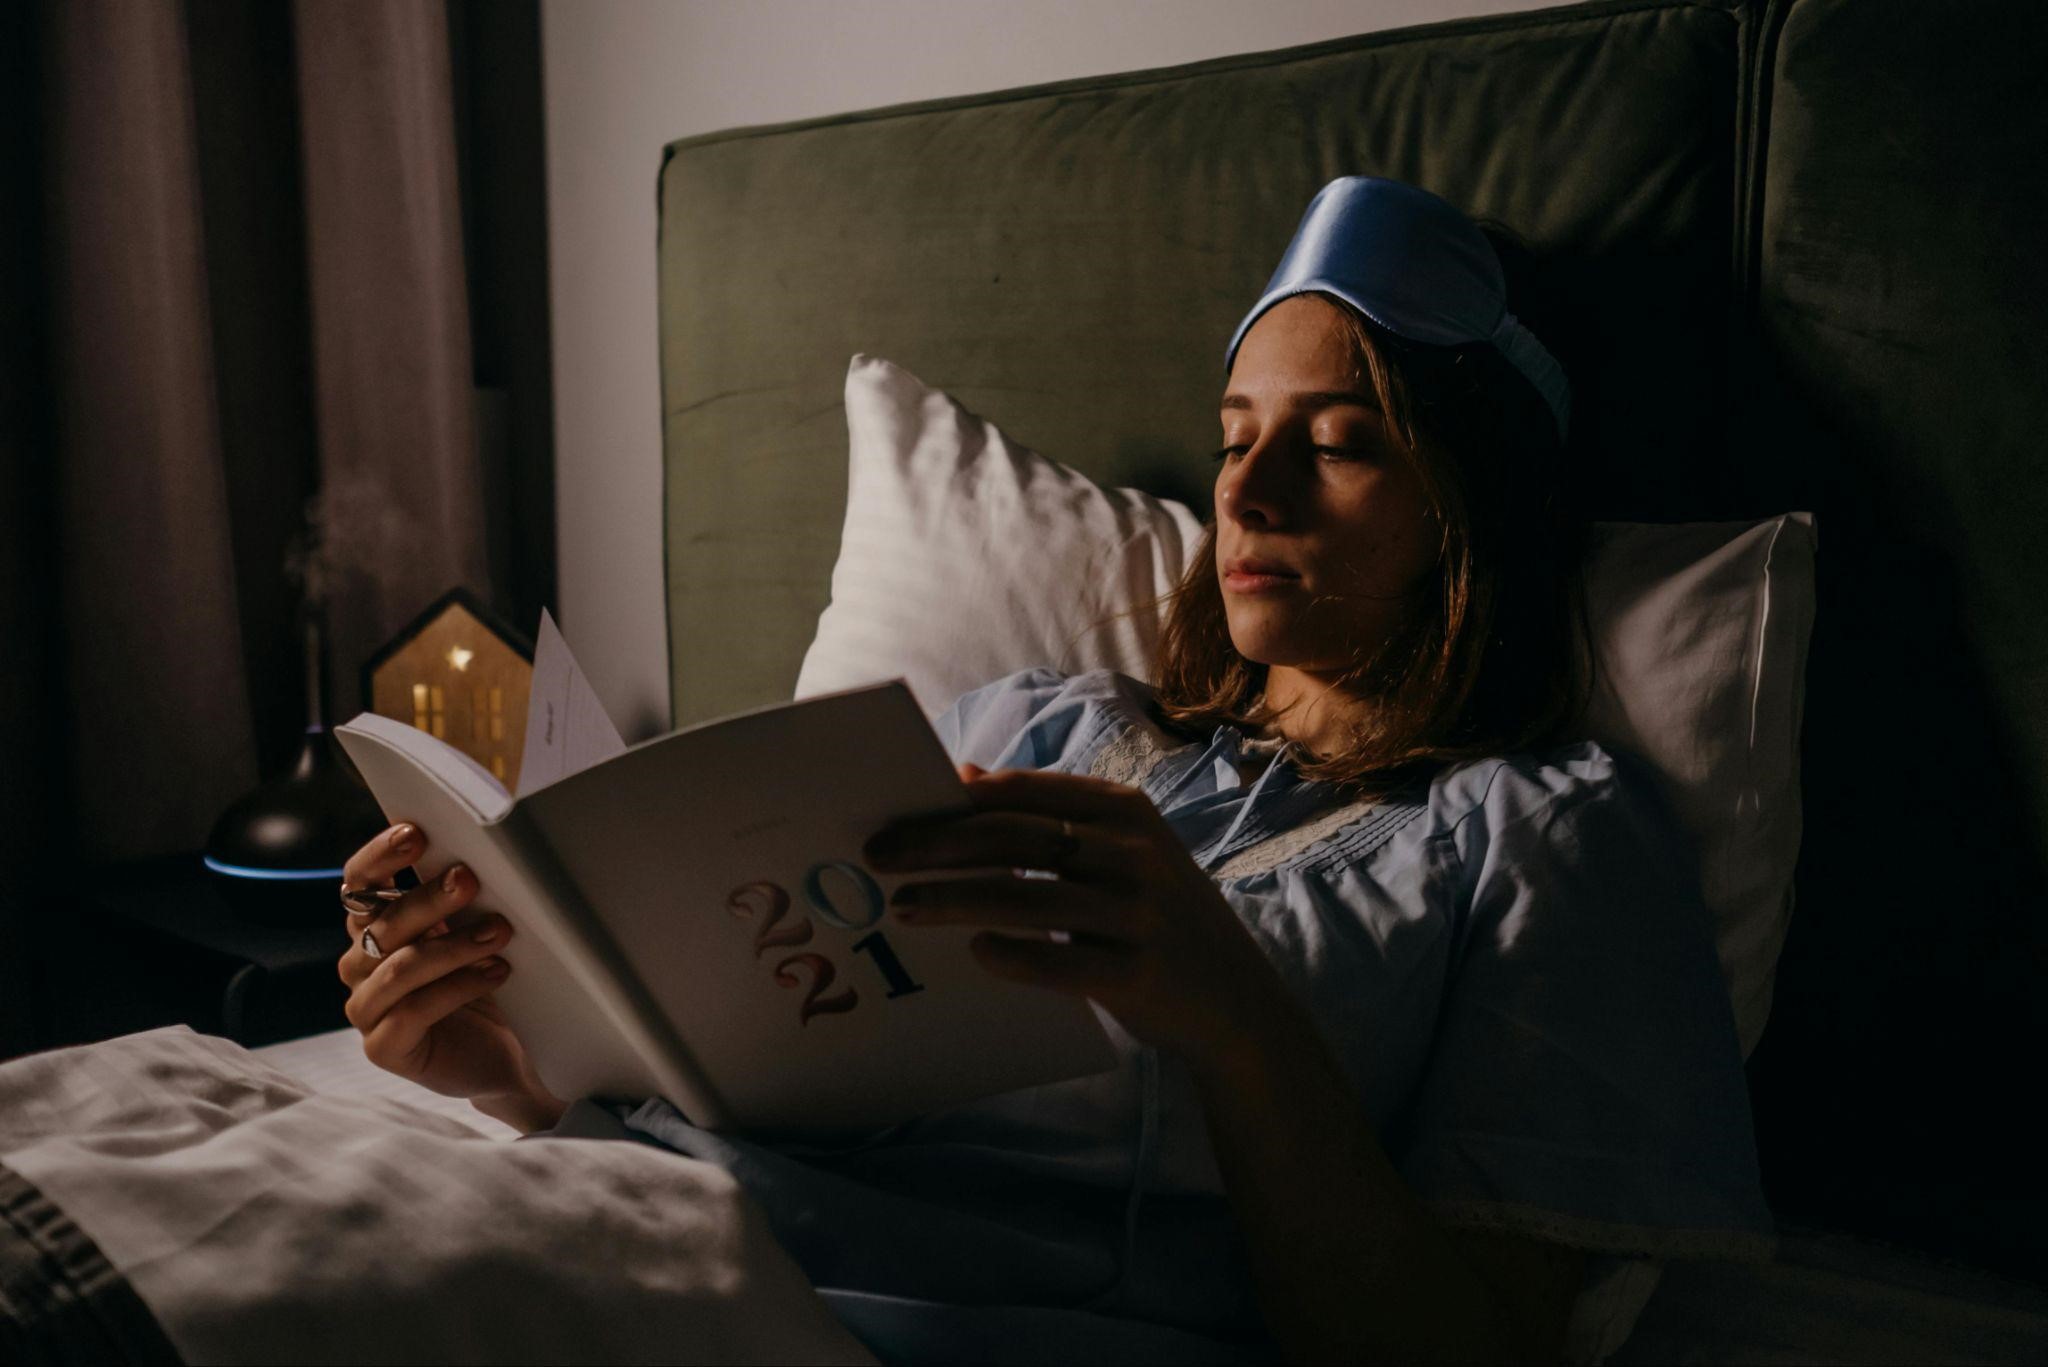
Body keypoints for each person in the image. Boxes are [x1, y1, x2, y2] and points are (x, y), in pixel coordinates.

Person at [334, 178, 1771, 1364]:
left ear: (1473, 505)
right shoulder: (1047, 727)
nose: (1248, 494)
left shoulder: (1542, 839)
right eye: (1235, 441)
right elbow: (784, 1074)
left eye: (1338, 446)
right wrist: (518, 1069)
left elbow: (1469, 1351)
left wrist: (1235, 1020)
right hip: (656, 1253)